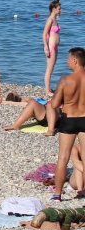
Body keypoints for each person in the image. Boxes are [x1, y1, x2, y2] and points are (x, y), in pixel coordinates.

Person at [47, 47, 85, 199]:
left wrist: (65, 99)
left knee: (63, 158)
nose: (67, 61)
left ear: (75, 60)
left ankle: (57, 194)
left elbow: (54, 104)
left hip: (69, 119)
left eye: (68, 59)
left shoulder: (65, 80)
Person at [44, 0, 62, 97]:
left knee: (52, 67)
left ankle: (49, 88)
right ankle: (47, 91)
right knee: (49, 69)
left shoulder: (55, 19)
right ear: (54, 9)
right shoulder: (50, 20)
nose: (60, 10)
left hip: (55, 47)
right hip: (51, 47)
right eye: (59, 9)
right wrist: (46, 47)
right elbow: (44, 34)